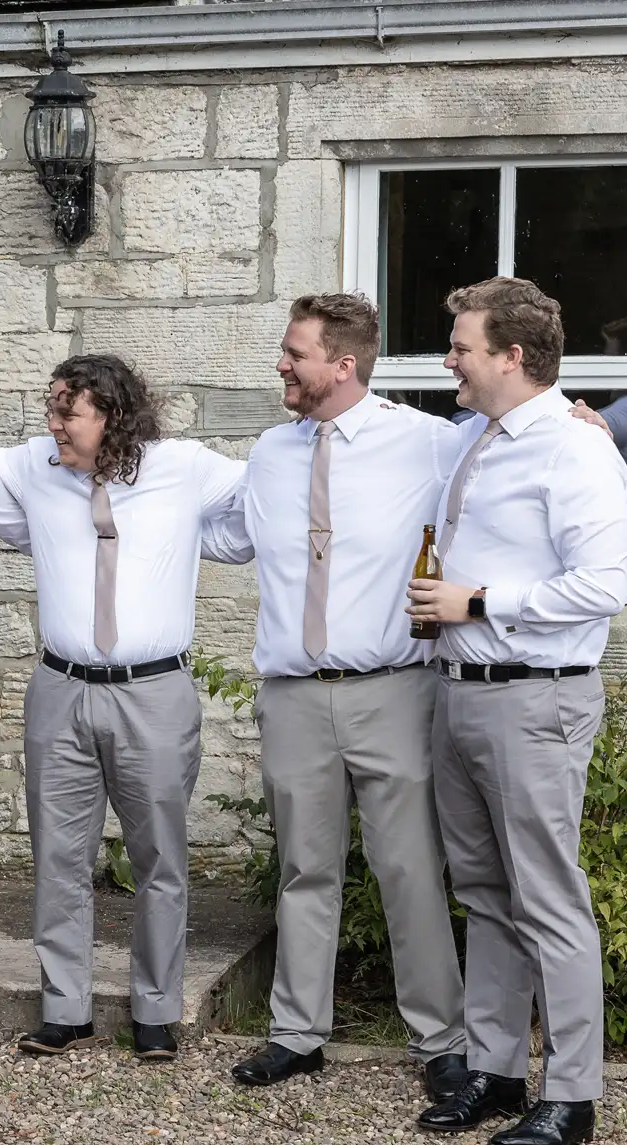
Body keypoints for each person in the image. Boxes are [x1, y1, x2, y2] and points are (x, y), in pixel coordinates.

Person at [211, 294, 470, 1103]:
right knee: (303, 868)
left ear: (344, 364)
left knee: (409, 869)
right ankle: (297, 1033)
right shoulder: (271, 451)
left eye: (295, 353)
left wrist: (579, 416)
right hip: (293, 694)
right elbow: (220, 530)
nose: (281, 364)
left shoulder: (429, 442)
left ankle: (441, 1041)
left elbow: (518, 443)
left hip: (392, 690)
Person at [408, 276, 627, 1145]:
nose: (449, 360)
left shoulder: (574, 452)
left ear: (511, 355)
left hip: (537, 698)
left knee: (549, 900)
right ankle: (498, 1073)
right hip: (459, 695)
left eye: (461, 346)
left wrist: (477, 601)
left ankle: (572, 1094)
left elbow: (601, 585)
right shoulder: (474, 439)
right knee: (487, 896)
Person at [0, 354, 244, 1060]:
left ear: (114, 416)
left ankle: (154, 1008)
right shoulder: (36, 465)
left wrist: (208, 541)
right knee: (58, 855)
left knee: (159, 856)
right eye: (52, 407)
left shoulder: (183, 467)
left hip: (153, 691)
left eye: (70, 411)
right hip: (59, 688)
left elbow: (273, 494)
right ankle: (63, 1007)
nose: (54, 423)